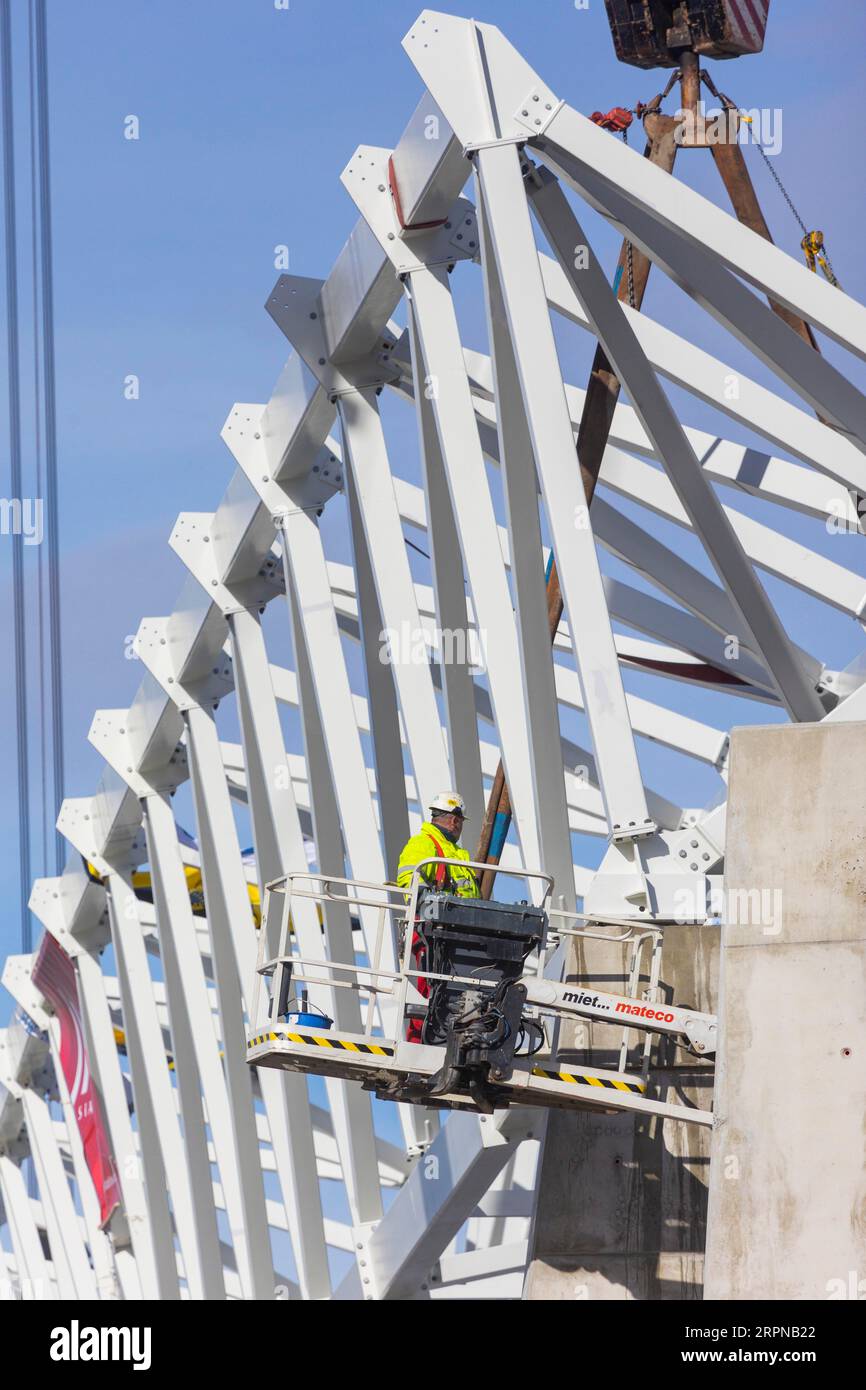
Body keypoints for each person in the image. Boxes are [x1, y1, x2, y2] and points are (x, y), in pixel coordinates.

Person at [395, 792, 479, 1042]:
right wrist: (429, 904)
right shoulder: (425, 843)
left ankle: (448, 1038)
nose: (460, 826)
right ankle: (419, 1044)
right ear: (454, 820)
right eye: (461, 821)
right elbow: (410, 879)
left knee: (455, 994)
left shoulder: (455, 852)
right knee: (430, 992)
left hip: (457, 932)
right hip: (432, 931)